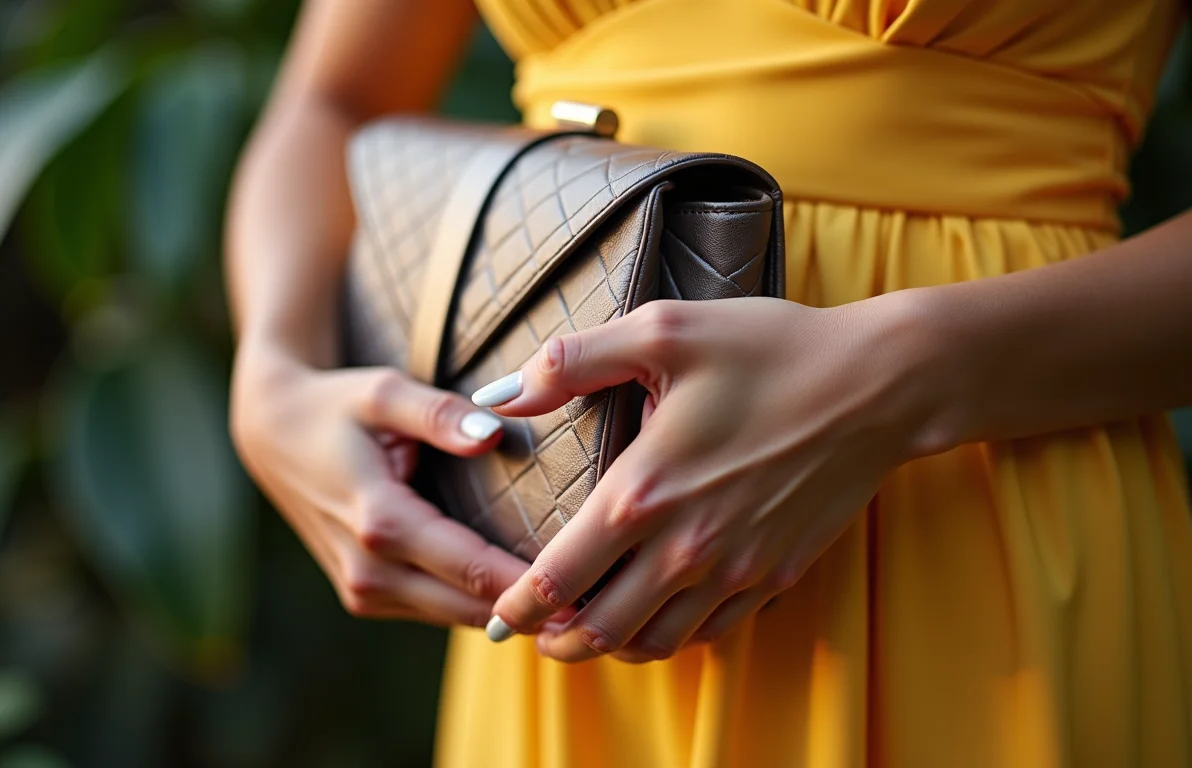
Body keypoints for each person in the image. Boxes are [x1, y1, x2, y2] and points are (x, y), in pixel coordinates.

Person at [224, 1, 1192, 765]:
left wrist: (904, 375)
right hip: (570, 558)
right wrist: (272, 369)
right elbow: (333, 101)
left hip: (977, 527)